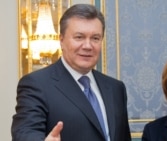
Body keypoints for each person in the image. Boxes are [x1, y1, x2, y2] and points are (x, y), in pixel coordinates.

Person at [11, 4, 131, 141]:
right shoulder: (36, 84)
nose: (87, 46)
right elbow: (25, 132)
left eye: (95, 38)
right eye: (79, 37)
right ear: (61, 40)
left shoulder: (116, 88)